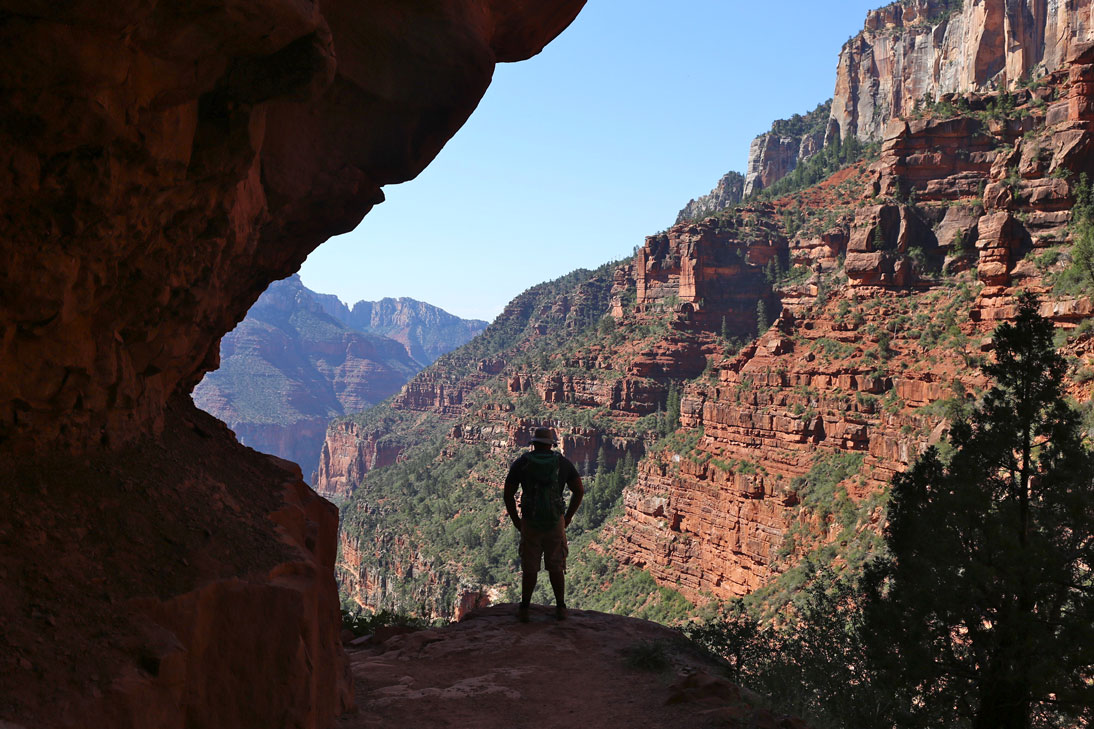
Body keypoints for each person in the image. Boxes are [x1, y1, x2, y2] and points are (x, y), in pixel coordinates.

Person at [503, 426, 584, 622]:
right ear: (550, 445)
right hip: (555, 522)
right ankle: (561, 608)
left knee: (530, 567)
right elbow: (579, 491)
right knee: (556, 566)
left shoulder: (522, 462)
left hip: (530, 522)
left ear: (534, 443)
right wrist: (568, 517)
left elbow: (508, 493)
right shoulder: (562, 463)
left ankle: (524, 609)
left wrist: (516, 520)